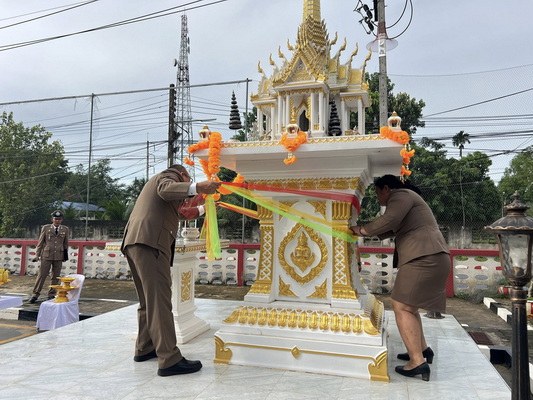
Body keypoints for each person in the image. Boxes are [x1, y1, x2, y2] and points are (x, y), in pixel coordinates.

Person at [121, 164, 220, 377]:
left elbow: (180, 213)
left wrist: (204, 207)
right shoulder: (168, 176)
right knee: (160, 301)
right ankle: (169, 359)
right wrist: (197, 186)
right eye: (188, 179)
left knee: (148, 301)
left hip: (137, 242)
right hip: (150, 243)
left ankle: (145, 347)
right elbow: (166, 189)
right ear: (183, 174)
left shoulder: (164, 189)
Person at [350, 175, 450, 382]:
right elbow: (390, 228)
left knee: (401, 306)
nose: (378, 198)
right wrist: (362, 231)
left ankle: (417, 362)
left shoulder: (401, 195)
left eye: (377, 193)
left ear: (386, 188)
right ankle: (422, 350)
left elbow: (390, 220)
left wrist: (361, 230)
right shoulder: (408, 198)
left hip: (423, 256)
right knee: (410, 307)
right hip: (431, 255)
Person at [30, 210, 69, 304]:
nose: (57, 221)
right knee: (42, 275)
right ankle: (35, 294)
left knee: (56, 277)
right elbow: (40, 242)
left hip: (59, 256)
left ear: (62, 220)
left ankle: (51, 294)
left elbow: (65, 243)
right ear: (52, 219)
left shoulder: (65, 229)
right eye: (56, 219)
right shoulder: (46, 228)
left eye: (59, 219)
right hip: (46, 255)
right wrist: (37, 255)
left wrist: (65, 255)